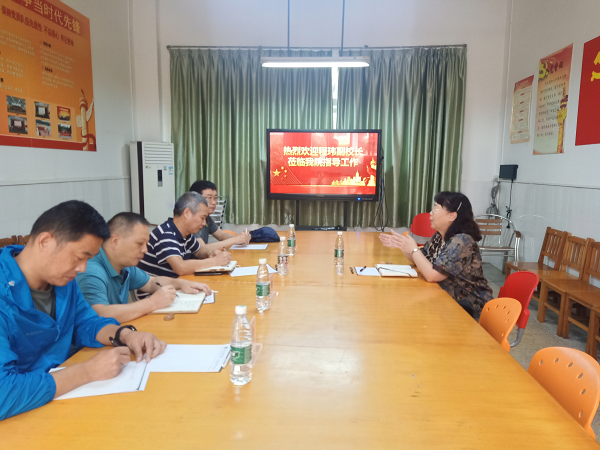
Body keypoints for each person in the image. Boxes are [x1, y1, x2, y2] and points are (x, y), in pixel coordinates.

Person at [0, 201, 166, 420]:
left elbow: (86, 322)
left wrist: (125, 335)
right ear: (45, 241)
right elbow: (3, 393)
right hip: (21, 416)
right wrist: (87, 372)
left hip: (64, 402)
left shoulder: (63, 282)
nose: (83, 269)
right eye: (79, 257)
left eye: (88, 259)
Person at [76, 212, 212, 323]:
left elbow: (152, 282)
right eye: (140, 244)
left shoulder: (125, 265)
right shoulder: (91, 270)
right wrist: (152, 303)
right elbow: (100, 314)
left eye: (146, 244)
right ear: (115, 241)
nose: (145, 250)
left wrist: (182, 283)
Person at [380, 191, 493, 320]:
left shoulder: (462, 241)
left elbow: (432, 275)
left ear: (451, 216)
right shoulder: (440, 236)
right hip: (447, 302)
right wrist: (403, 245)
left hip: (470, 309)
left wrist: (413, 249)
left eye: (436, 208)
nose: (431, 213)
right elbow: (421, 259)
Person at [137, 192, 232, 283]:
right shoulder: (165, 233)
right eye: (202, 218)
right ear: (187, 213)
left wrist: (210, 253)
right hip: (158, 290)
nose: (204, 223)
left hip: (177, 284)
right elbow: (180, 267)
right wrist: (214, 261)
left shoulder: (185, 234)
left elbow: (199, 251)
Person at [189, 180, 251, 251]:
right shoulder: (190, 219)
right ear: (195, 200)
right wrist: (234, 240)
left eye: (215, 198)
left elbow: (221, 235)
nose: (214, 202)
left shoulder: (207, 218)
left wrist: (240, 237)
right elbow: (201, 249)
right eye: (209, 198)